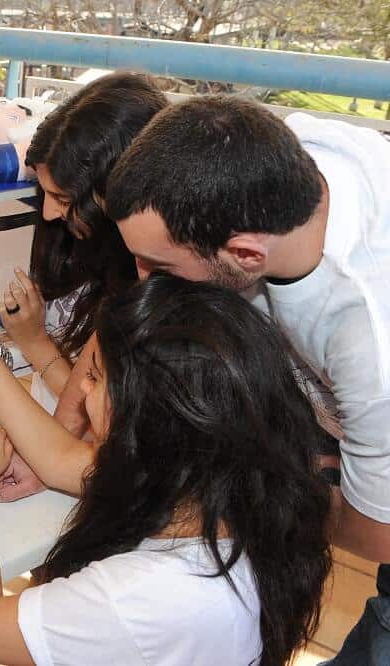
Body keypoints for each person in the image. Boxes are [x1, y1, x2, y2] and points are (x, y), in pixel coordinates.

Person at [104, 95, 390, 663]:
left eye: (159, 268)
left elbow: (379, 533)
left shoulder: (370, 343)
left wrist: (264, 494)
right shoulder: (285, 155)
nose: (143, 281)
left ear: (244, 254)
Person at [0, 274, 332, 666]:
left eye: (94, 378)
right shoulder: (221, 479)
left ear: (145, 419)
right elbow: (57, 456)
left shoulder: (142, 598)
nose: (80, 392)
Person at [0, 73, 169, 502]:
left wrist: (3, 348)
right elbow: (91, 370)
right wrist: (49, 455)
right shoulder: (100, 251)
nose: (48, 213)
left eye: (61, 197)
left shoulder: (166, 277)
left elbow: (101, 416)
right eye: (44, 193)